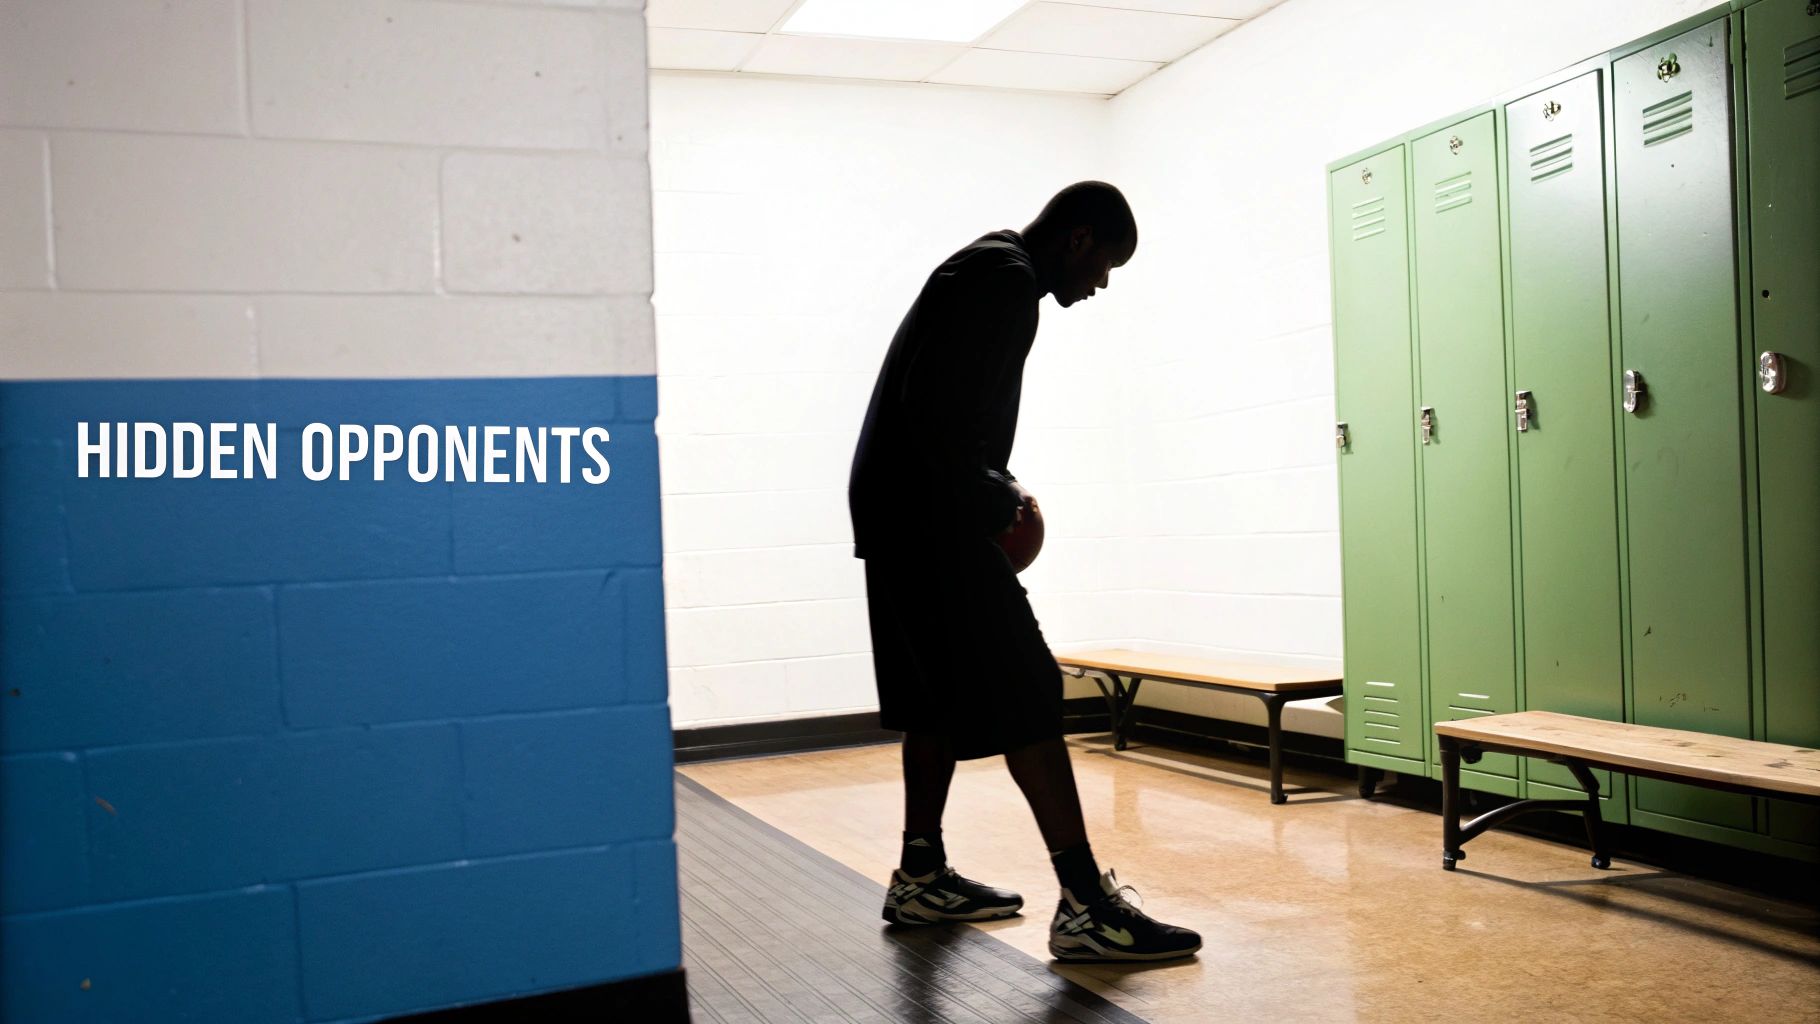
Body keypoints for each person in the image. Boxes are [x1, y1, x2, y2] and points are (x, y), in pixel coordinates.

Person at [847, 181, 1201, 962]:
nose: (1100, 283)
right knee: (1030, 688)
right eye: (1105, 263)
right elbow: (935, 412)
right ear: (1077, 240)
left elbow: (935, 409)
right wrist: (995, 497)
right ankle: (1086, 908)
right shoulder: (1006, 280)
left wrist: (985, 485)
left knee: (935, 700)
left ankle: (921, 872)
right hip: (930, 519)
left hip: (897, 513)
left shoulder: (983, 268)